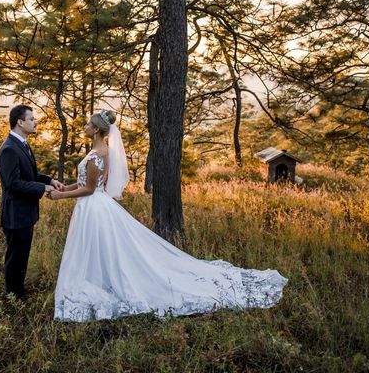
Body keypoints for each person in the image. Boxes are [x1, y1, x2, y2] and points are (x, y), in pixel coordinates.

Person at [49, 109, 288, 322]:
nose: (85, 127)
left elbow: (91, 189)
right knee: (98, 248)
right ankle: (99, 280)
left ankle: (106, 283)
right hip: (93, 205)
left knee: (101, 247)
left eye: (88, 125)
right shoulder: (98, 150)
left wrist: (61, 197)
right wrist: (64, 187)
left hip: (94, 206)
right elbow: (85, 183)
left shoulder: (98, 154)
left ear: (98, 130)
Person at [0, 105, 64, 300]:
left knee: (22, 256)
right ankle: (13, 298)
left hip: (25, 212)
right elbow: (13, 184)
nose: (35, 122)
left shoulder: (23, 144)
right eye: (32, 119)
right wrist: (42, 189)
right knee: (15, 258)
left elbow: (31, 175)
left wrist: (49, 180)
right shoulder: (9, 149)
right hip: (15, 214)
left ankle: (18, 293)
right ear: (20, 122)